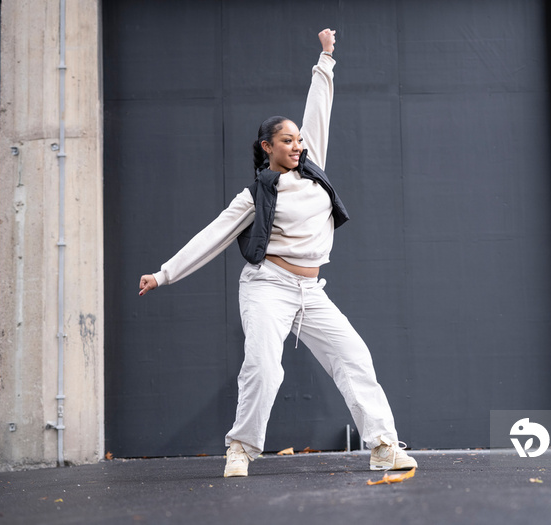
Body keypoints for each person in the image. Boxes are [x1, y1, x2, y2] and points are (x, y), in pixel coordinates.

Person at [139, 28, 417, 478]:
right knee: (264, 367)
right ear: (268, 147)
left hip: (312, 291)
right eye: (287, 140)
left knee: (354, 358)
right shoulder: (256, 194)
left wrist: (326, 58)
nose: (298, 145)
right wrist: (163, 274)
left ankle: (384, 445)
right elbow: (212, 236)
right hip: (268, 286)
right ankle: (241, 448)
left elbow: (319, 108)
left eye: (298, 140)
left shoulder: (314, 168)